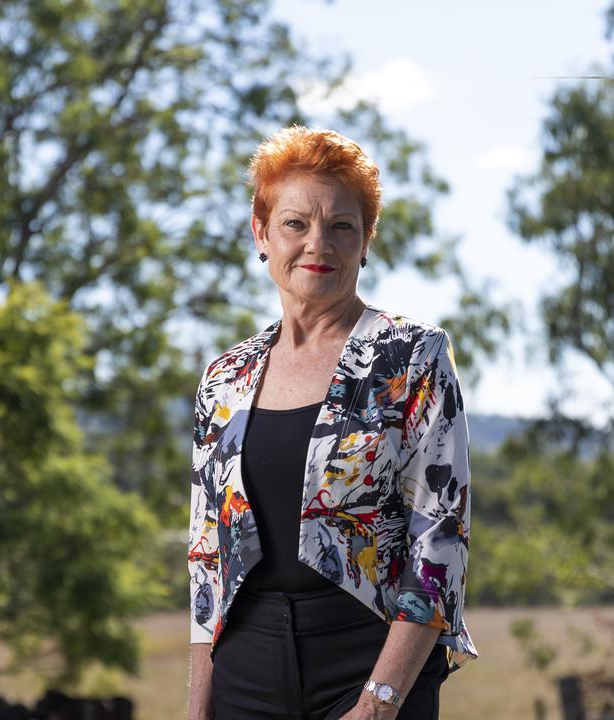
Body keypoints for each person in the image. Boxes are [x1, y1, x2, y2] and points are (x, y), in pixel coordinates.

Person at [186, 125, 478, 720]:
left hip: (368, 662)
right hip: (245, 670)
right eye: (296, 223)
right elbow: (206, 562)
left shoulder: (412, 357)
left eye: (342, 226)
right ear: (261, 233)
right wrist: (199, 711)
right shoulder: (223, 378)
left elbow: (440, 542)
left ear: (366, 240)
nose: (317, 243)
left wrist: (379, 702)